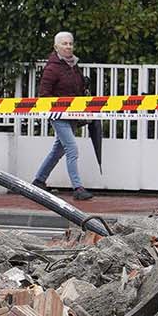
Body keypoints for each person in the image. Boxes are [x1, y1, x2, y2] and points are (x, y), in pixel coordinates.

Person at [32, 31, 94, 201]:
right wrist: (56, 109)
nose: (68, 47)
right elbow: (44, 94)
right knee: (72, 148)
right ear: (56, 47)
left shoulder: (74, 66)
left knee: (58, 150)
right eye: (64, 44)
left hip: (72, 114)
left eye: (70, 43)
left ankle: (39, 181)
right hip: (58, 115)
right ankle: (78, 188)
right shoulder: (52, 68)